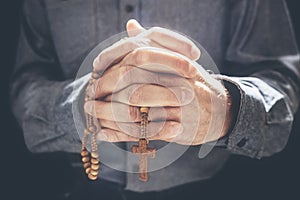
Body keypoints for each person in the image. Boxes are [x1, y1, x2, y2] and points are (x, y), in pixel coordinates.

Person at [11, 0, 299, 199]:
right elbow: (25, 88)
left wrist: (225, 108)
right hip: (80, 189)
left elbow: (281, 85)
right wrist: (85, 104)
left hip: (216, 188)